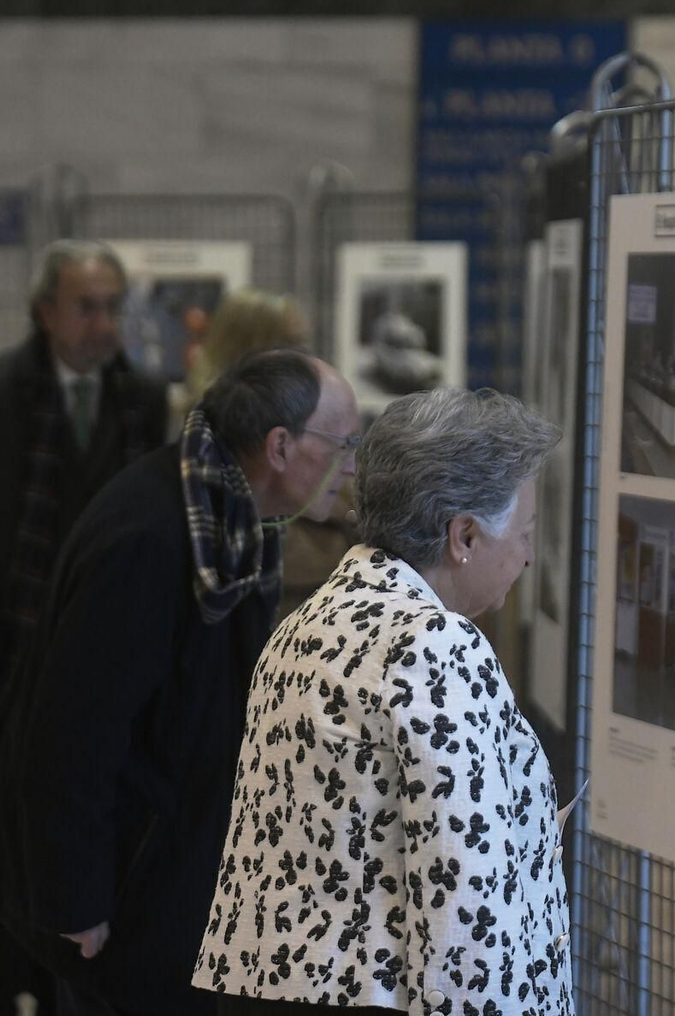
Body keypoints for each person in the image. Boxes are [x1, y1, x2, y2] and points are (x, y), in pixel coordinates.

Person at [0, 349, 360, 1016]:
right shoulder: (153, 534)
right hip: (120, 884)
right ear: (280, 447)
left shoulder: (229, 519)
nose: (353, 464)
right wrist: (77, 903)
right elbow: (73, 734)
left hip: (163, 859)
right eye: (344, 443)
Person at [193, 386, 567, 1016]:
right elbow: (466, 892)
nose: (528, 556)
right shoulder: (436, 646)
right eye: (524, 532)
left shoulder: (311, 621)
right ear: (464, 535)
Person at [0, 239, 169, 1016]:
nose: (102, 324)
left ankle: (66, 991)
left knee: (80, 829)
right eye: (86, 306)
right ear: (44, 311)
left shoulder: (143, 396)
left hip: (99, 661)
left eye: (113, 307)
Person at [184, 289, 350, 619]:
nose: (307, 361)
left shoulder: (296, 421)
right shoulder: (209, 436)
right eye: (292, 347)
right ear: (250, 352)